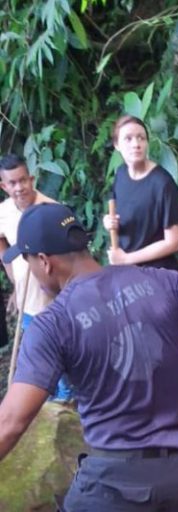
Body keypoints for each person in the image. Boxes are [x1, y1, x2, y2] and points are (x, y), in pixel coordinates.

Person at [0, 203, 178, 511]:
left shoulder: (54, 324)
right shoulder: (163, 281)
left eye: (28, 262)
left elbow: (10, 422)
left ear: (44, 261)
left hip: (112, 486)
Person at [0, 154, 72, 401]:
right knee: (40, 357)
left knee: (61, 357)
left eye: (23, 180)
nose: (19, 187)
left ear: (32, 179)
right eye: (12, 183)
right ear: (4, 186)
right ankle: (48, 404)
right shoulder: (4, 212)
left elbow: (70, 256)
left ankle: (67, 401)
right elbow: (3, 244)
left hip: (55, 302)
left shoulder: (52, 211)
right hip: (27, 303)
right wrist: (14, 280)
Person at [102, 115, 178, 270]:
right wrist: (108, 222)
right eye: (128, 139)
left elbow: (173, 242)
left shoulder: (163, 184)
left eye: (141, 138)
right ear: (117, 145)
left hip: (157, 272)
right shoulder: (121, 174)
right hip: (126, 269)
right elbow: (122, 216)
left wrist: (126, 259)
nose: (136, 144)